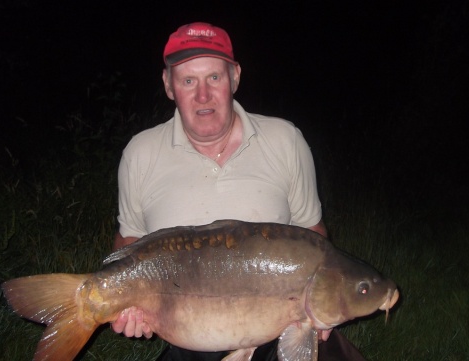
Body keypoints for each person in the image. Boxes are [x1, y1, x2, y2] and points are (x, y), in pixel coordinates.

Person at [110, 22, 365, 361]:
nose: (203, 95)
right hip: (193, 336)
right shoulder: (140, 154)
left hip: (282, 327)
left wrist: (322, 305)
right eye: (188, 80)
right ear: (168, 85)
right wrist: (123, 303)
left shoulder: (285, 141)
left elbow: (312, 233)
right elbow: (129, 241)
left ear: (235, 77)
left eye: (214, 77)